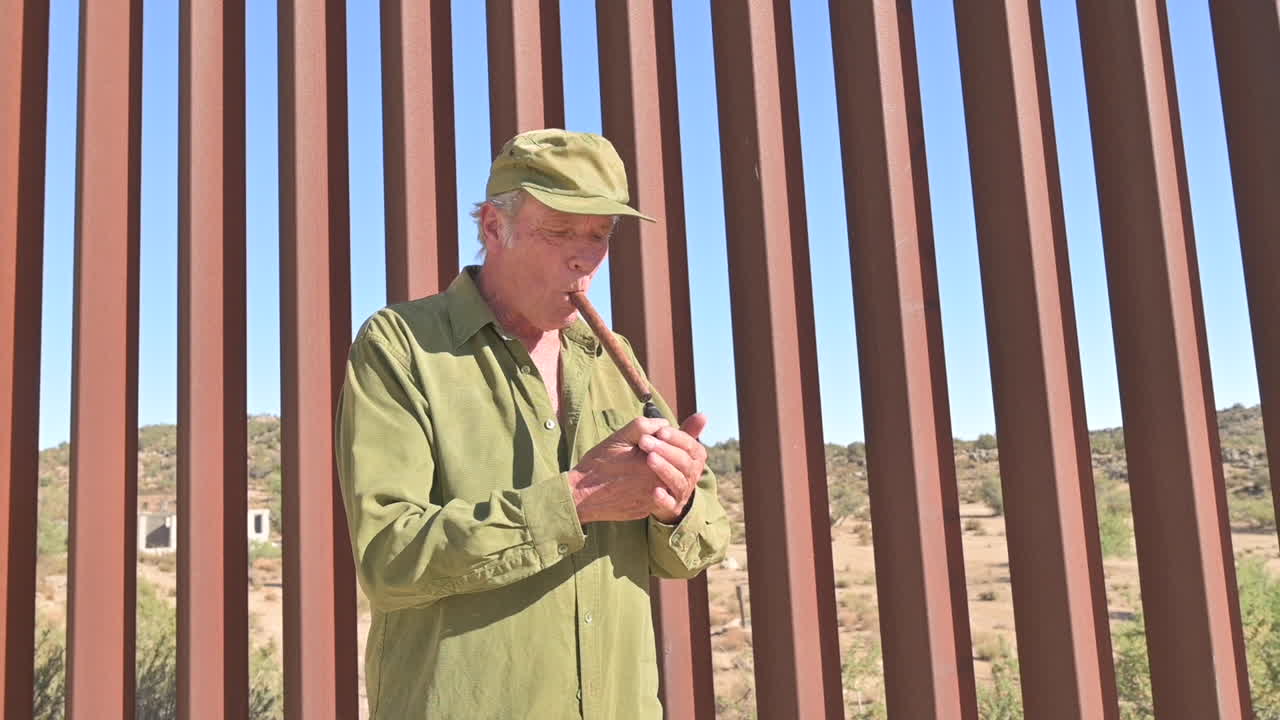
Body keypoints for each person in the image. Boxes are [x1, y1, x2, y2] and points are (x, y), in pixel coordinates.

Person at [336, 128, 730, 719]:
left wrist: (676, 503)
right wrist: (578, 500)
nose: (584, 256)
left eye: (599, 236)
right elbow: (391, 559)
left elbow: (696, 549)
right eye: (560, 231)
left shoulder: (612, 357)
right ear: (495, 227)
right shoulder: (403, 346)